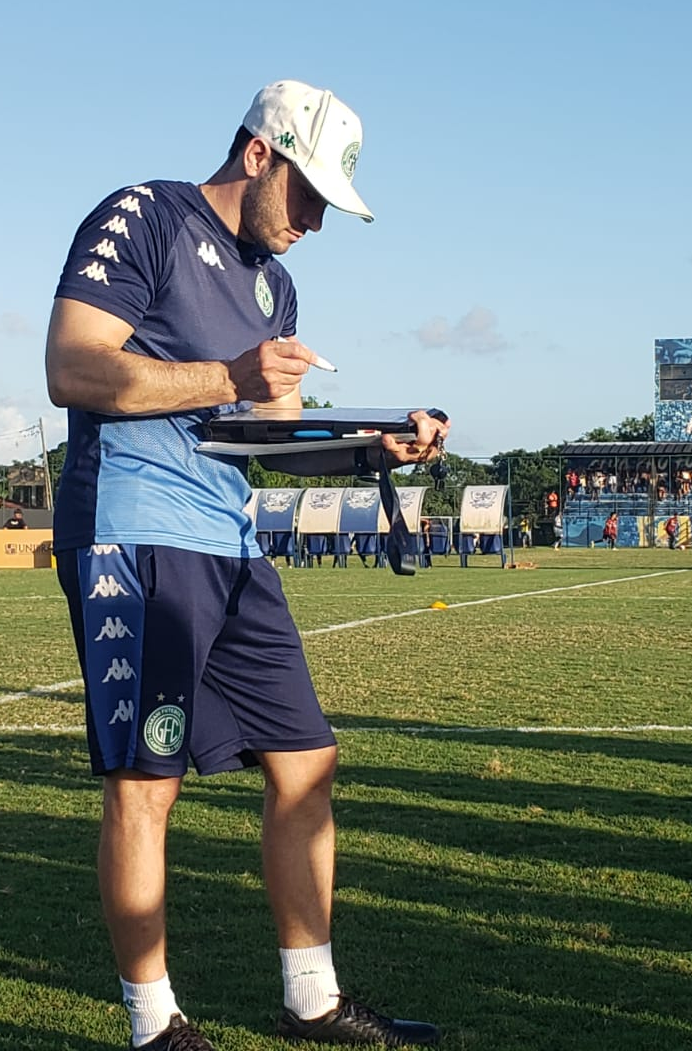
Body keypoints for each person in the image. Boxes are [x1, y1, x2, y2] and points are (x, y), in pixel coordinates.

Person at [44, 80, 445, 1050]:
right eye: (307, 195)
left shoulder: (276, 284)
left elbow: (265, 439)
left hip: (227, 538)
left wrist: (371, 447)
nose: (313, 220)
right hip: (133, 531)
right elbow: (72, 366)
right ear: (259, 152)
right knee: (146, 785)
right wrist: (229, 375)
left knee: (307, 759)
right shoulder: (141, 214)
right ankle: (154, 1025)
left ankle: (310, 1001)